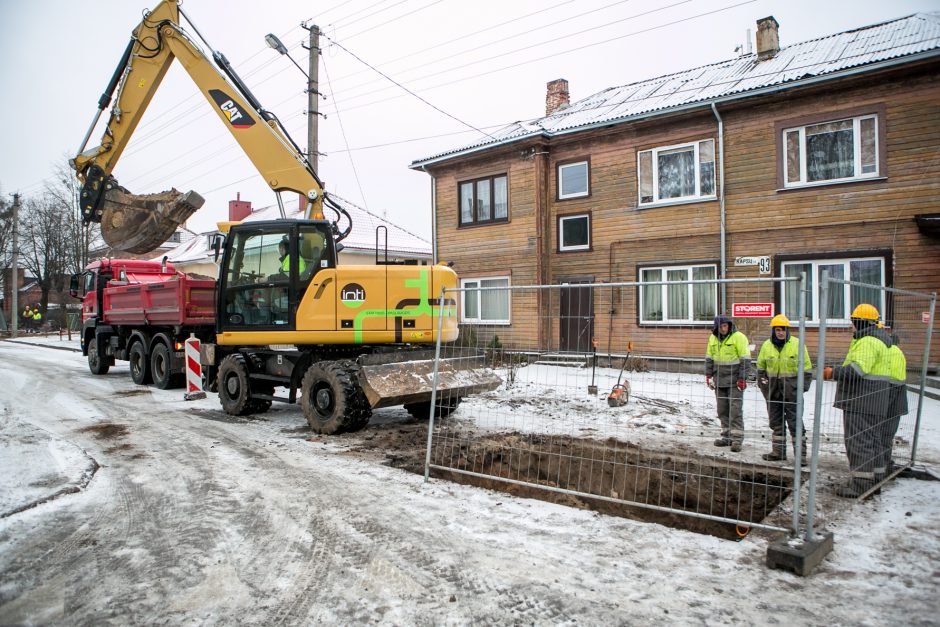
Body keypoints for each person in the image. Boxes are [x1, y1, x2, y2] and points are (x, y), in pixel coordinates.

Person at [823, 303, 893, 498]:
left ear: (860, 322)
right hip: (875, 401)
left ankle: (861, 485)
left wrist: (832, 372)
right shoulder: (880, 340)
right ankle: (876, 481)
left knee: (858, 442)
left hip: (861, 401)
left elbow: (857, 371)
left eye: (853, 322)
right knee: (873, 441)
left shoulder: (868, 341)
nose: (851, 326)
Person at [756, 314, 813, 464]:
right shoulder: (767, 346)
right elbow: (760, 368)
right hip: (773, 391)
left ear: (788, 330)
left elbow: (807, 369)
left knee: (795, 423)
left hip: (792, 392)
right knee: (776, 423)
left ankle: (800, 456)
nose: (780, 333)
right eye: (777, 330)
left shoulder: (797, 345)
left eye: (783, 330)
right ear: (773, 330)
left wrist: (801, 389)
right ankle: (778, 452)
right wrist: (765, 387)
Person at [705, 314, 751, 452]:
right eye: (720, 327)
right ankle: (727, 436)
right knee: (722, 410)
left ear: (729, 326)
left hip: (734, 381)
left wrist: (742, 378)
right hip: (719, 380)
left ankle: (737, 439)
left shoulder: (739, 338)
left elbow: (745, 360)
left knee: (735, 410)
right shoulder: (713, 339)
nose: (723, 329)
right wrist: (708, 374)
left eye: (725, 326)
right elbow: (709, 357)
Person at [879, 330, 908, 479]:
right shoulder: (899, 352)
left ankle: (881, 468)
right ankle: (887, 466)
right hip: (899, 400)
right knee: (887, 435)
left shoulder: (887, 352)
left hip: (888, 397)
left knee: (880, 435)